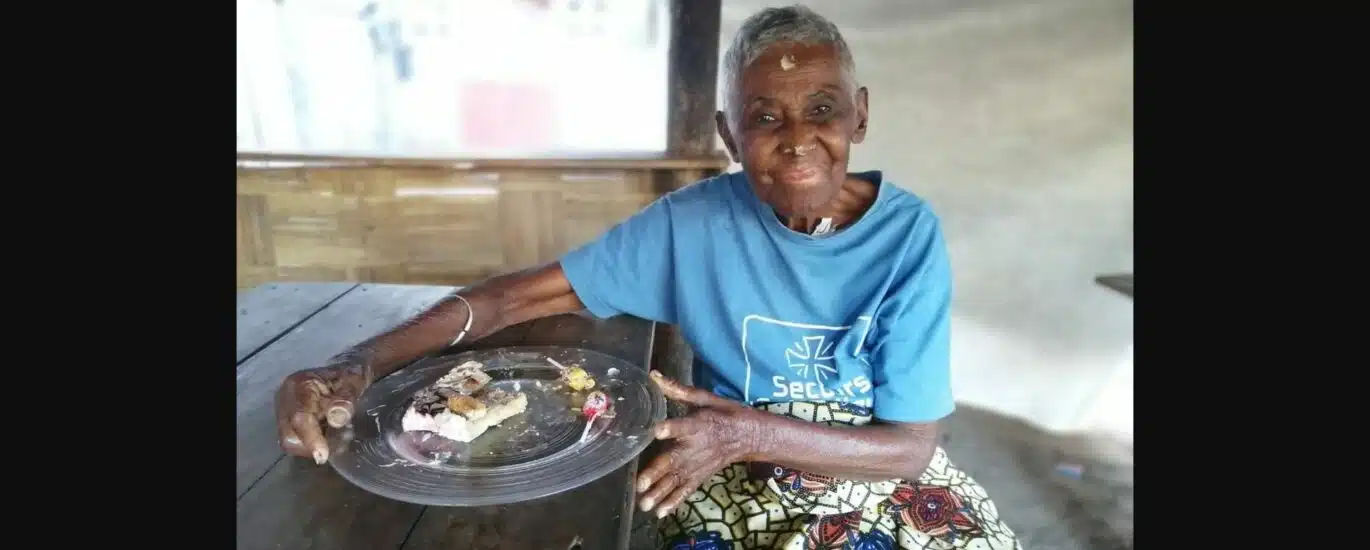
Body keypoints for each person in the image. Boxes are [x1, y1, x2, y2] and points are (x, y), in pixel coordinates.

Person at [275, 5, 1022, 549]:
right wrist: (356, 364)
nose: (798, 141)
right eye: (765, 118)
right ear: (730, 135)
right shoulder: (689, 225)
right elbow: (511, 299)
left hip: (865, 473)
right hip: (733, 472)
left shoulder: (907, 237)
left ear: (858, 116)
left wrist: (749, 431)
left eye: (821, 110)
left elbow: (911, 447)